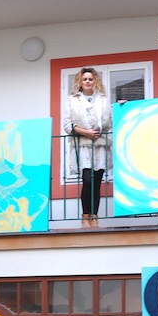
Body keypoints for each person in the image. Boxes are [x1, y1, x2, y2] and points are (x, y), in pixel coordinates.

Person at [63, 67, 122, 228]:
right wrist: (86, 132)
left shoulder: (103, 99)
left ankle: (94, 217)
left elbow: (111, 120)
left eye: (90, 79)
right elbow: (67, 125)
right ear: (80, 82)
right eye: (85, 79)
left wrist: (120, 107)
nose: (88, 81)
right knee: (87, 180)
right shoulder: (72, 100)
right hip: (83, 145)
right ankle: (85, 216)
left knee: (96, 182)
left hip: (100, 145)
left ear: (95, 81)